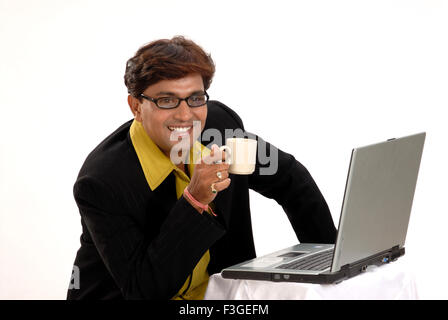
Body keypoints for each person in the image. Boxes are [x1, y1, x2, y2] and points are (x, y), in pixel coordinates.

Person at [67, 36, 337, 300]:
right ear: (136, 106)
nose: (185, 115)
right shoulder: (102, 181)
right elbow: (144, 291)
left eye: (195, 98)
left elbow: (291, 179)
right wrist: (194, 201)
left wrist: (331, 266)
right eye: (167, 100)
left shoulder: (220, 128)